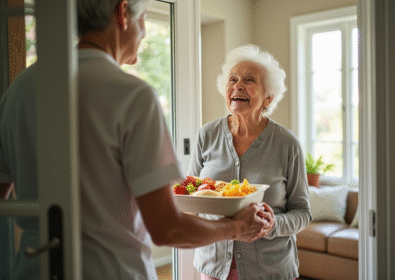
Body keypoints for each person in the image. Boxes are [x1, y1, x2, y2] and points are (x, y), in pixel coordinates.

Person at [0, 1, 274, 279]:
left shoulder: (18, 90)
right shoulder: (132, 95)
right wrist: (237, 227)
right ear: (122, 13)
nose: (143, 32)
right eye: (142, 19)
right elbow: (168, 229)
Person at [188, 44, 313, 280]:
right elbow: (191, 194)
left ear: (268, 97)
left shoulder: (287, 143)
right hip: (213, 267)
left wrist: (272, 224)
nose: (238, 86)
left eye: (249, 80)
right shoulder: (207, 134)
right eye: (232, 80)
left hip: (270, 270)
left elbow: (303, 213)